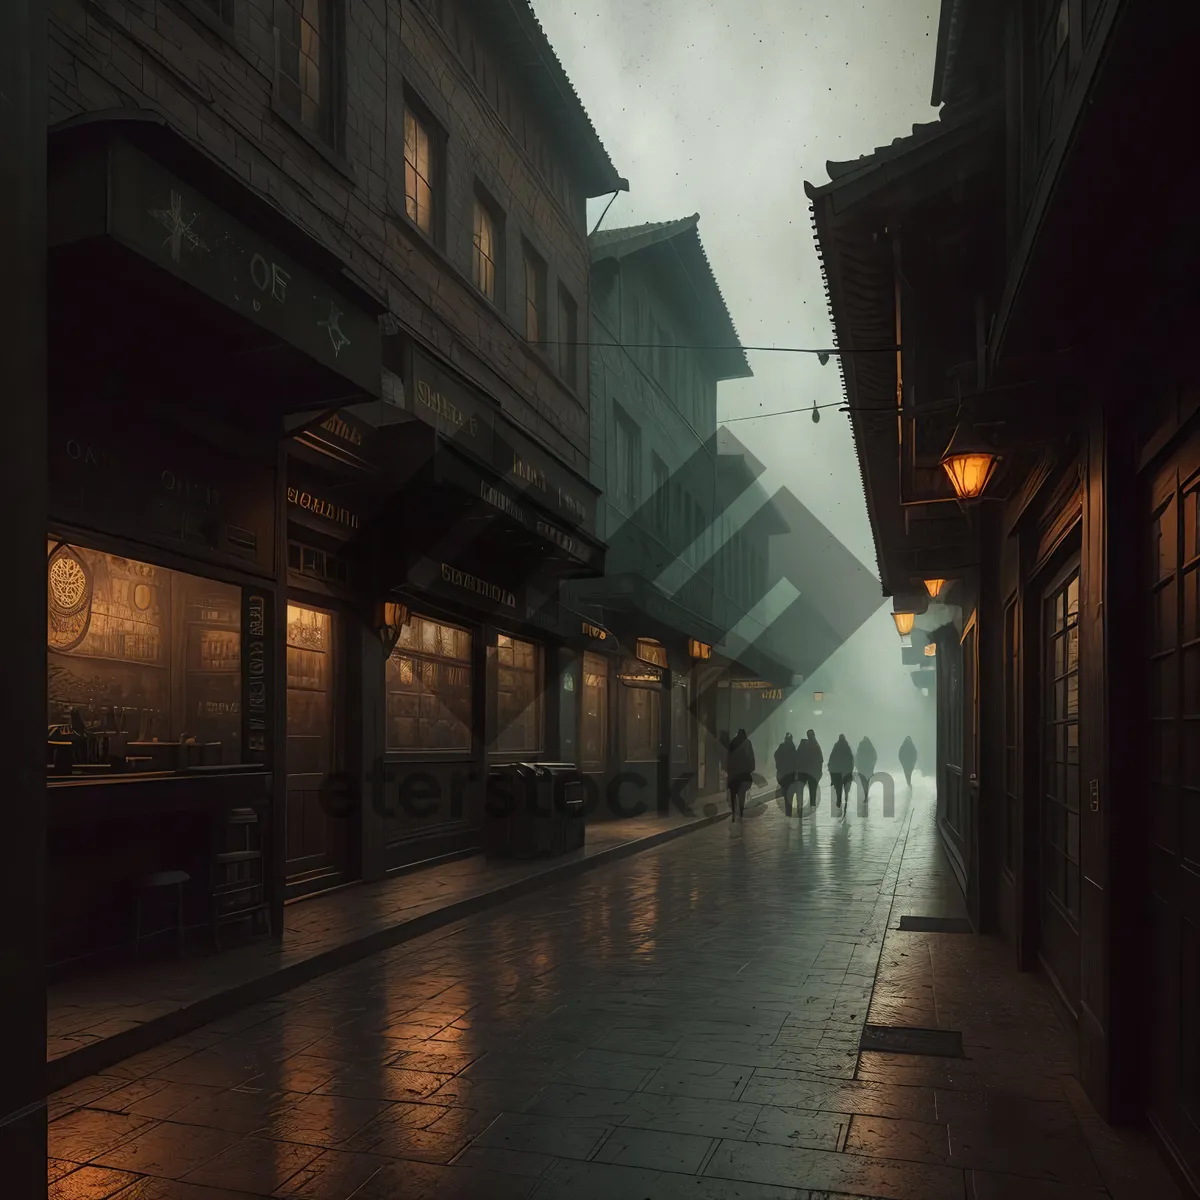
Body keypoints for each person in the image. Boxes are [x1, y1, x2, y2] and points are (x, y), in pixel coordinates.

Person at [727, 728, 755, 822]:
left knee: (733, 794)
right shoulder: (747, 743)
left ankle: (734, 814)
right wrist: (751, 768)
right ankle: (741, 813)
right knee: (741, 794)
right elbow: (751, 756)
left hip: (733, 773)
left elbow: (728, 758)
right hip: (743, 773)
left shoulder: (732, 743)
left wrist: (728, 770)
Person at [774, 733, 799, 817]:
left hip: (784, 773)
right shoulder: (792, 747)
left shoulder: (782, 747)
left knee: (786, 792)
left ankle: (788, 812)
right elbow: (796, 760)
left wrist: (779, 765)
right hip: (790, 774)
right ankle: (789, 811)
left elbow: (776, 755)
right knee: (790, 793)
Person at [829, 734, 854, 811]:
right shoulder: (847, 747)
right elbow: (851, 759)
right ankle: (846, 799)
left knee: (838, 788)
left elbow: (832, 758)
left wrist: (831, 767)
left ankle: (839, 799)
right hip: (846, 771)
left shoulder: (836, 747)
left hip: (837, 771)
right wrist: (850, 769)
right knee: (846, 786)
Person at [798, 729, 823, 808]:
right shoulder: (815, 745)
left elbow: (797, 757)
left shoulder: (803, 745)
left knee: (801, 787)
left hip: (804, 771)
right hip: (812, 772)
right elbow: (820, 759)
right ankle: (812, 804)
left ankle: (801, 803)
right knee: (812, 788)